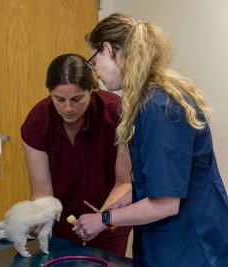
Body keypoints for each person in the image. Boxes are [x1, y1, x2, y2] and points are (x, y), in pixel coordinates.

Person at [75, 13, 228, 266]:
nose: (96, 73)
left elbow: (166, 203)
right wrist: (113, 209)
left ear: (108, 49)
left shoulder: (159, 107)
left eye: (94, 61)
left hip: (191, 246)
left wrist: (104, 220)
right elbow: (158, 181)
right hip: (174, 241)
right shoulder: (151, 98)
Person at [21, 53, 132, 256]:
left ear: (91, 90)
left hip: (108, 216)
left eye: (77, 99)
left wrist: (101, 220)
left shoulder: (116, 113)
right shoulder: (37, 121)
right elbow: (41, 190)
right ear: (50, 93)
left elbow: (123, 183)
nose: (68, 108)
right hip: (61, 223)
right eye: (59, 99)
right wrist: (38, 215)